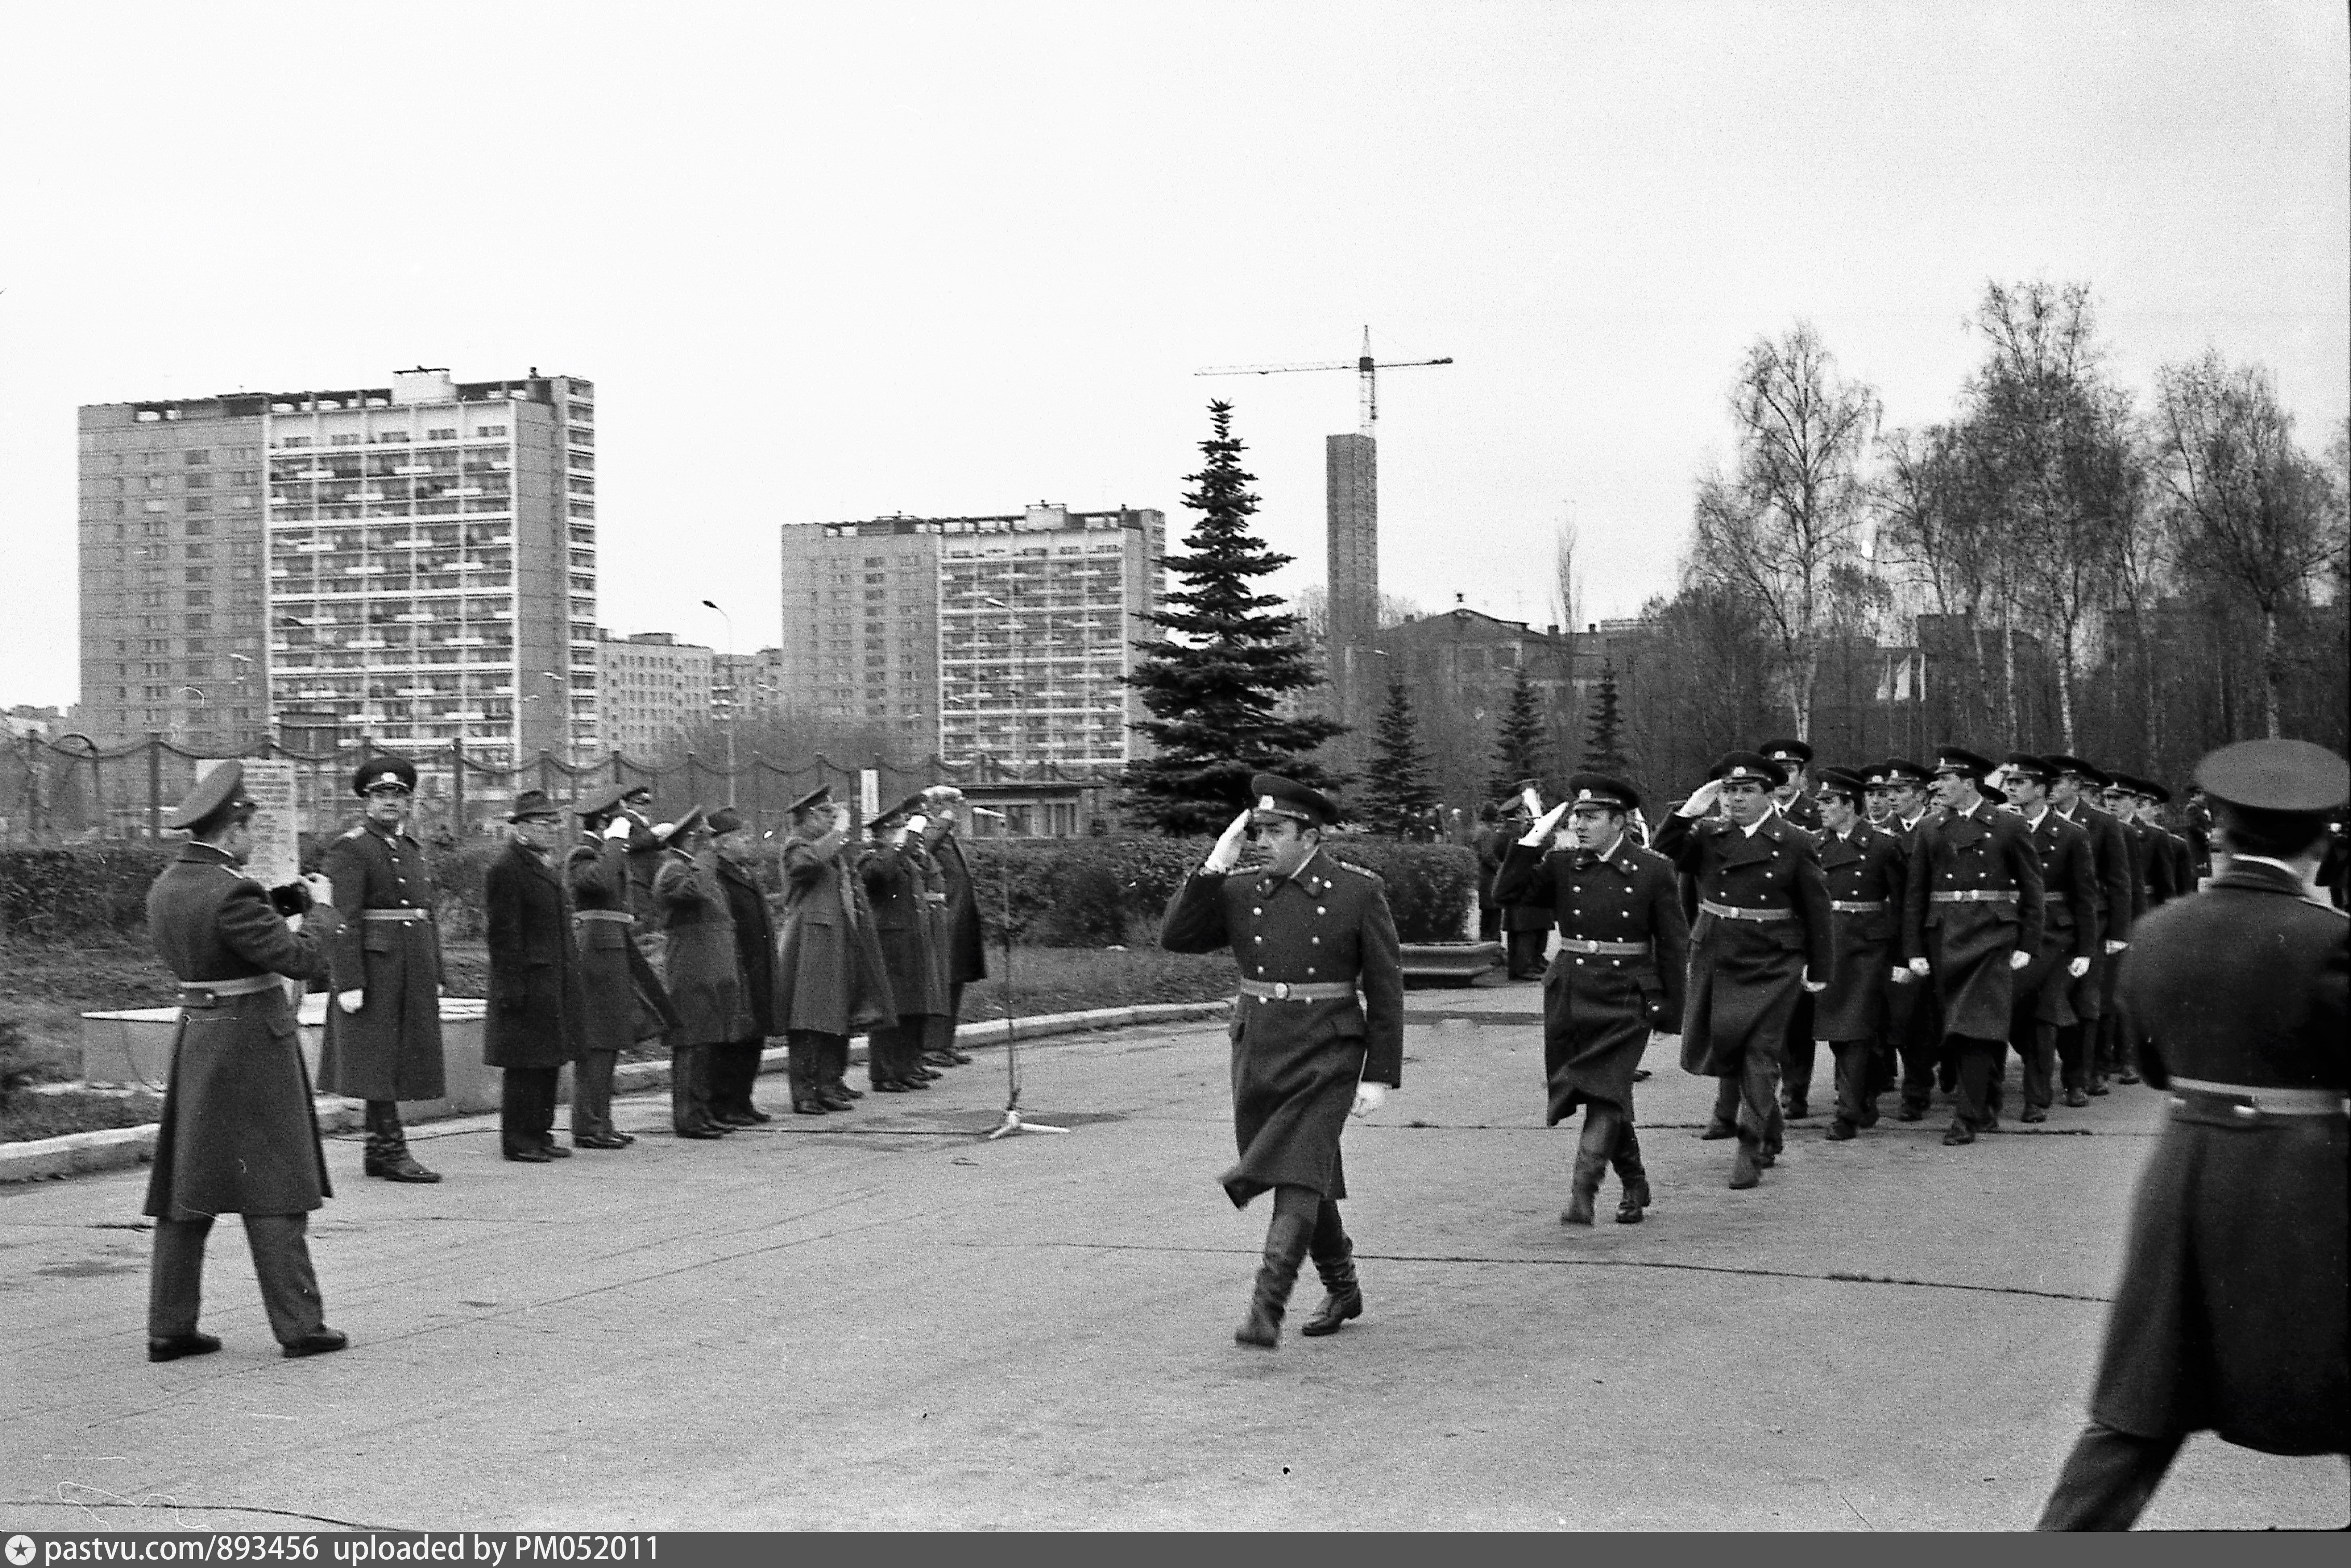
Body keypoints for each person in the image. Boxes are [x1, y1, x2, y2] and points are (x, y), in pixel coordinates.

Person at [2037, 739, 2348, 1530]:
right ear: (2322, 840)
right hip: (2304, 1180)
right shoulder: (2329, 937)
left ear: (2223, 835)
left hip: (2183, 1168)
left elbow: (2149, 1065)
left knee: (2143, 1391)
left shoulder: (2162, 929)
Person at [1160, 774, 1403, 1349]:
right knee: (1303, 1168)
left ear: (1311, 836)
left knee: (1295, 1170)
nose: (1260, 841)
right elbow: (1177, 936)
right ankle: (1343, 1285)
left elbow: (1387, 989)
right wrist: (1215, 863)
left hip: (1329, 1048)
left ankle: (1265, 1306)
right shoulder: (1242, 889)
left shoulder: (1356, 891)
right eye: (1255, 831)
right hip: (1261, 1046)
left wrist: (1379, 1073)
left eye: (1274, 830)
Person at [142, 762, 350, 1362]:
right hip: (251, 1044)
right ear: (233, 828)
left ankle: (170, 1326)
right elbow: (298, 958)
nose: (252, 839)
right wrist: (322, 912)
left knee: (187, 1187)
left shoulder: (170, 885)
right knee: (277, 1180)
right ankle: (300, 1325)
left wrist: (285, 899)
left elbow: (233, 929)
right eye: (249, 828)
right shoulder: (232, 890)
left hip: (200, 1034)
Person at [1491, 774, 1686, 1224]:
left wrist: (1672, 1008)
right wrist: (1531, 841)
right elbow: (1506, 895)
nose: (1579, 824)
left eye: (1591, 816)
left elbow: (1674, 945)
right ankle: (1635, 1182)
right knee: (1606, 1092)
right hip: (1571, 992)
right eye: (1577, 815)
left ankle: (1583, 1191)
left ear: (1619, 821)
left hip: (1626, 997)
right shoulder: (1562, 865)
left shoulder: (1653, 868)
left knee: (1605, 1092)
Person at [1654, 751, 1832, 1190]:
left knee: (1761, 1051)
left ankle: (1749, 1143)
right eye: (1729, 791)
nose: (1735, 799)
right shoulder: (1708, 834)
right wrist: (1690, 810)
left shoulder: (1795, 841)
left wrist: (1820, 966)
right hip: (1718, 951)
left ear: (1768, 795)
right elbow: (1661, 854)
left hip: (1773, 959)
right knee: (1729, 1047)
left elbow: (1816, 910)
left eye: (1746, 791)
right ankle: (1770, 1131)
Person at [1901, 746, 2045, 1147]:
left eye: (1944, 780)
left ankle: (1966, 1116)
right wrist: (1912, 949)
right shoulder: (1930, 828)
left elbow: (2032, 889)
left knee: (1974, 1025)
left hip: (1992, 936)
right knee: (1957, 1028)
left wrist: (2028, 943)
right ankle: (1985, 1103)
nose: (1936, 786)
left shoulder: (2008, 825)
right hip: (1943, 936)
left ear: (1968, 783)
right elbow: (1916, 892)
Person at [317, 755, 447, 1184]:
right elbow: (343, 918)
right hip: (375, 968)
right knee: (379, 1060)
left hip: (411, 965)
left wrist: (437, 970)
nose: (390, 802)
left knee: (395, 1057)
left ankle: (379, 1151)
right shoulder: (351, 847)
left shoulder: (410, 848)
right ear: (366, 801)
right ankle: (392, 1150)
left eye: (398, 794)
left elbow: (425, 913)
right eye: (381, 794)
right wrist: (349, 980)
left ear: (409, 801)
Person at [565, 785, 675, 1149]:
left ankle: (602, 1122)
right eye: (618, 820)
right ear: (602, 822)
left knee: (610, 1040)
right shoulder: (584, 854)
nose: (625, 827)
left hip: (612, 948)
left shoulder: (606, 852)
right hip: (595, 953)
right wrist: (613, 842)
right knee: (596, 1043)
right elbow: (597, 881)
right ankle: (587, 1125)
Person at [775, 787, 893, 1115]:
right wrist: (839, 832)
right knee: (809, 1018)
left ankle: (827, 1084)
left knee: (833, 1014)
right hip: (811, 941)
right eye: (826, 815)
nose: (832, 820)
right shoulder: (797, 846)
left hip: (836, 940)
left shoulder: (830, 849)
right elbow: (806, 866)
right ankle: (805, 1092)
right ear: (810, 817)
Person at [483, 790, 583, 1163]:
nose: (552, 830)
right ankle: (519, 1139)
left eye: (554, 824)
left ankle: (540, 1133)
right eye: (544, 824)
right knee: (524, 1065)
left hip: (550, 980)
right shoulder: (507, 868)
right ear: (522, 827)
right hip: (525, 981)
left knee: (547, 1060)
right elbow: (503, 933)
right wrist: (511, 987)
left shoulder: (542, 864)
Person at [1809, 767, 1909, 1141]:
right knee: (1843, 1032)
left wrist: (1903, 955)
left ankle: (1847, 1112)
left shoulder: (1883, 845)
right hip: (1829, 945)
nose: (1821, 808)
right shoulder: (1815, 845)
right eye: (1819, 801)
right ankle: (1862, 1099)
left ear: (1850, 805)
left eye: (1828, 802)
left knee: (1853, 1029)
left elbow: (1902, 904)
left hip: (1869, 947)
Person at [1999, 756, 2099, 1124]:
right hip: (2012, 931)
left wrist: (2086, 950)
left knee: (2045, 1010)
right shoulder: (2000, 827)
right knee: (2015, 1013)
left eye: (2018, 782)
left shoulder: (2071, 834)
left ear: (2040, 789)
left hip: (2056, 938)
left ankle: (2038, 1096)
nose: (2009, 787)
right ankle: (2047, 1077)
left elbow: (2085, 896)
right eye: (2007, 782)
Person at [2048, 756, 2134, 1107]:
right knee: (2053, 998)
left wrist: (2118, 931)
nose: (2051, 789)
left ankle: (2082, 1075)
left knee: (2087, 999)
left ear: (2074, 783)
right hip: (2050, 923)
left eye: (2057, 782)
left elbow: (2118, 880)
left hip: (2093, 922)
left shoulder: (2101, 823)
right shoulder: (2035, 820)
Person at [651, 808, 741, 1140]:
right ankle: (688, 1117)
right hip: (691, 968)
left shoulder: (694, 867)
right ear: (691, 839)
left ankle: (702, 1112)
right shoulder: (673, 869)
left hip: (708, 968)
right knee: (691, 1042)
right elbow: (690, 893)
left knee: (707, 1042)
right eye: (705, 838)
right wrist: (703, 857)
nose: (713, 845)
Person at [860, 799, 943, 1093]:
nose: (903, 833)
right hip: (890, 943)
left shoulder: (904, 857)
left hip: (911, 941)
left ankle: (907, 1066)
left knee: (912, 1008)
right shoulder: (872, 857)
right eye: (897, 828)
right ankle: (884, 1073)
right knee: (892, 1009)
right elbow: (880, 875)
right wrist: (903, 844)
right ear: (883, 832)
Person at [707, 807, 778, 1127]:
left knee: (754, 1036)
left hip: (756, 962)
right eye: (741, 838)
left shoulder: (742, 872)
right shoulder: (719, 875)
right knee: (735, 1040)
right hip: (738, 963)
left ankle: (743, 1100)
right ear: (721, 842)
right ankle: (726, 1103)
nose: (748, 843)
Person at [917, 785, 983, 1069]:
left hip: (959, 919)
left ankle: (945, 1043)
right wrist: (943, 820)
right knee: (941, 983)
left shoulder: (947, 836)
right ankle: (931, 1045)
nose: (958, 809)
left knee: (955, 982)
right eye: (953, 804)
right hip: (943, 921)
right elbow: (923, 848)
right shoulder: (926, 831)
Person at [1497, 790, 1552, 980]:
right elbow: (1540, 850)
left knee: (1523, 932)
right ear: (1519, 812)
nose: (1526, 815)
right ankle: (1524, 967)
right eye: (1524, 811)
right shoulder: (1517, 833)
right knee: (1524, 933)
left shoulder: (1508, 831)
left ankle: (1525, 965)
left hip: (1516, 885)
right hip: (1522, 886)